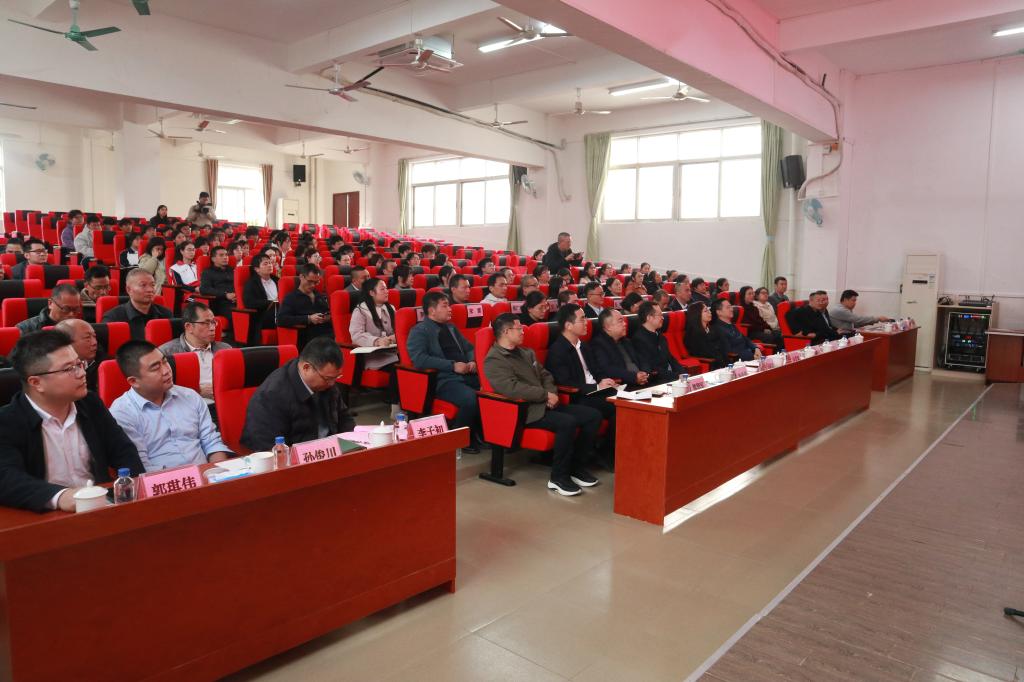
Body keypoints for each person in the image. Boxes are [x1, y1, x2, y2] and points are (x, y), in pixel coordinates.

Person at [0, 330, 143, 512]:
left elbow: (123, 451)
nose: (82, 373)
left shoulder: (90, 403)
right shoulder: (7, 421)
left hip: (100, 505)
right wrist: (60, 497)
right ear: (36, 383)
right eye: (69, 369)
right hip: (46, 514)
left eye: (80, 364)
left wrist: (136, 492)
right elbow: (6, 477)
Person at [484, 313, 600, 496]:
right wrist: (544, 396)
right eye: (519, 329)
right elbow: (511, 388)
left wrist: (551, 393)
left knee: (592, 416)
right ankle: (558, 477)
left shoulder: (526, 352)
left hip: (546, 402)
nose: (523, 332)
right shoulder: (495, 359)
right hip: (526, 410)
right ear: (506, 332)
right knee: (567, 422)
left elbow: (546, 375)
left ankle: (576, 467)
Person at [109, 341, 231, 472]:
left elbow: (212, 443)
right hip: (162, 481)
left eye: (165, 361)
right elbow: (140, 466)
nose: (167, 371)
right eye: (156, 368)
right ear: (134, 381)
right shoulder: (122, 413)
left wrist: (220, 474)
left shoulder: (189, 396)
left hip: (207, 474)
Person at [240, 337, 355, 452]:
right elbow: (269, 448)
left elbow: (344, 417)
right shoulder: (272, 395)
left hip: (329, 452)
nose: (332, 383)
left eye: (336, 377)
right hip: (295, 457)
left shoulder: (326, 383)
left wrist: (353, 442)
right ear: (306, 368)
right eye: (328, 378)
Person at [406, 292, 483, 454]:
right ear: (432, 311)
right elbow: (419, 359)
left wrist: (472, 361)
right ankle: (458, 439)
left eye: (449, 305)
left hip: (467, 373)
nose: (450, 309)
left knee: (490, 392)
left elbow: (469, 348)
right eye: (445, 306)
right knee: (470, 399)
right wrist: (452, 365)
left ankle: (480, 433)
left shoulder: (451, 327)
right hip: (444, 379)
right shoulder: (419, 331)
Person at [544, 304, 618, 470]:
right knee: (616, 407)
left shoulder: (584, 345)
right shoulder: (558, 350)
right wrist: (596, 387)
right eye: (582, 319)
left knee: (624, 405)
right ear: (568, 325)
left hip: (596, 391)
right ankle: (591, 455)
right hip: (578, 396)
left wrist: (605, 381)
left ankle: (607, 452)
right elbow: (565, 382)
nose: (587, 323)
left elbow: (596, 370)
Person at [156, 302, 230, 399]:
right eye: (206, 323)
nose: (212, 328)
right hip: (186, 403)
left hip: (224, 400)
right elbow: (157, 388)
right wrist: (197, 390)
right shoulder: (166, 353)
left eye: (213, 322)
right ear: (189, 327)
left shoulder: (225, 349)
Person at [349, 278, 399, 407]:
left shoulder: (390, 308)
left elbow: (399, 330)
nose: (387, 291)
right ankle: (394, 403)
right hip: (373, 357)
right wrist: (376, 341)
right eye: (382, 289)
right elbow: (356, 335)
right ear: (371, 293)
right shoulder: (360, 310)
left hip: (392, 352)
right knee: (399, 368)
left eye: (386, 288)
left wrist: (393, 338)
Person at [101, 269, 173, 340]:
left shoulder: (166, 314)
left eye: (152, 285)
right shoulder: (113, 318)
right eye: (143, 285)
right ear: (129, 290)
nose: (150, 289)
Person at [590, 308, 649, 388]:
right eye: (620, 321)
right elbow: (608, 369)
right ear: (608, 327)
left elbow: (641, 358)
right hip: (624, 385)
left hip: (642, 382)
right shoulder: (598, 344)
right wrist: (634, 377)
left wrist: (645, 373)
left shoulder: (626, 341)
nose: (625, 324)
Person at [277, 264, 331, 348]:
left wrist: (327, 317)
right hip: (308, 336)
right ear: (301, 277)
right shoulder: (291, 297)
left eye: (316, 282)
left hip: (326, 333)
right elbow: (281, 319)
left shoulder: (319, 295)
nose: (313, 285)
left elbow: (327, 311)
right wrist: (308, 319)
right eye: (310, 281)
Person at [631, 302, 685, 385]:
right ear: (649, 317)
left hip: (670, 377)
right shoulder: (639, 339)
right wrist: (677, 376)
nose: (663, 318)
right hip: (657, 381)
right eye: (660, 315)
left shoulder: (659, 335)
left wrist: (683, 373)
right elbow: (652, 369)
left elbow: (670, 358)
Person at [54, 318, 105, 391]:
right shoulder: (52, 370)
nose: (95, 342)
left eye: (94, 336)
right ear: (66, 342)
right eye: (87, 338)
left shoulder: (104, 364)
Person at [17, 284, 82, 334]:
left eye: (76, 309)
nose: (71, 314)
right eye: (66, 309)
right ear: (50, 304)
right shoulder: (25, 329)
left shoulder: (81, 327)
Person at [242, 253, 279, 333]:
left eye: (270, 263)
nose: (269, 265)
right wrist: (272, 303)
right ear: (257, 269)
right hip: (263, 315)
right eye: (265, 264)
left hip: (280, 311)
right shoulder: (252, 283)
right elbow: (249, 303)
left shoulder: (277, 280)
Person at [684, 302, 727, 369]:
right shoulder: (694, 334)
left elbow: (723, 346)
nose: (710, 312)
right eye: (706, 311)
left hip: (722, 362)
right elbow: (706, 354)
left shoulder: (713, 329)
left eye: (709, 310)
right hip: (711, 366)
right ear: (697, 314)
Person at [198, 245, 236, 317]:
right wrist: (225, 295)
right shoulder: (208, 272)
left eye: (226, 255)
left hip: (236, 300)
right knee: (236, 315)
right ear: (213, 259)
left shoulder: (232, 270)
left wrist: (237, 296)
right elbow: (204, 289)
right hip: (220, 302)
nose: (225, 257)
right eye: (221, 255)